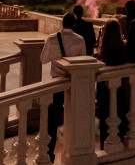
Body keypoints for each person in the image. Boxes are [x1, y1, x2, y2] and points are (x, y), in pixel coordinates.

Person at [40, 12, 86, 164]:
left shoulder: (52, 38)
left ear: (62, 23)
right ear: (74, 24)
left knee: (52, 119)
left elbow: (43, 60)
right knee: (74, 117)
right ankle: (75, 151)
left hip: (57, 82)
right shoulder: (80, 40)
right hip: (74, 83)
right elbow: (83, 62)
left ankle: (49, 154)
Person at [96, 20, 127, 149]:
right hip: (120, 85)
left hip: (105, 87)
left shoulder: (103, 48)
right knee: (120, 113)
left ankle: (104, 144)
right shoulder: (124, 46)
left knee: (105, 117)